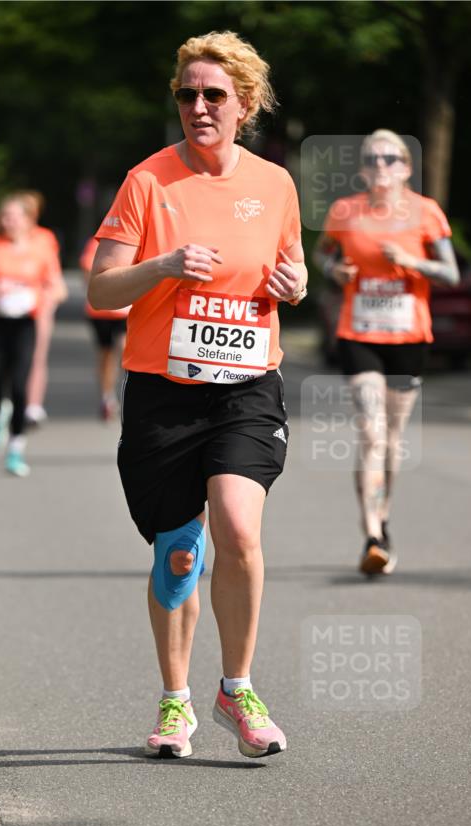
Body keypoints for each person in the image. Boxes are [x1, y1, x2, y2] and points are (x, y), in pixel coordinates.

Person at [88, 30, 307, 759]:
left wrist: (296, 283)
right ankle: (175, 698)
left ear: (245, 104)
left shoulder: (274, 185)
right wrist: (163, 266)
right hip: (164, 392)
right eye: (188, 94)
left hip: (246, 387)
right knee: (179, 555)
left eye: (214, 95)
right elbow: (100, 290)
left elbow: (293, 267)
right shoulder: (147, 181)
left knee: (238, 529)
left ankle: (236, 689)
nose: (199, 106)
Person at [313, 129, 459, 575]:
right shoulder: (345, 211)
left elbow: (451, 274)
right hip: (359, 335)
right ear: (362, 169)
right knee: (372, 433)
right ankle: (373, 536)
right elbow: (321, 255)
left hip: (408, 338)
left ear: (406, 168)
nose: (381, 165)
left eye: (390, 158)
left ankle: (384, 516)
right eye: (372, 158)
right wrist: (334, 270)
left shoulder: (426, 212)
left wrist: (411, 262)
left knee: (392, 439)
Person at [0, 193, 62, 476]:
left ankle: (15, 448)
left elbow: (57, 286)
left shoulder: (41, 246)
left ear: (28, 219)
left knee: (21, 386)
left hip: (25, 324)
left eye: (15, 216)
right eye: (5, 216)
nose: (9, 221)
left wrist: (41, 296)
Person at [21, 191, 68, 427]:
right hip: (6, 312)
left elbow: (54, 277)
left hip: (38, 307)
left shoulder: (44, 238)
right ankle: (12, 400)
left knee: (37, 356)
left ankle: (33, 405)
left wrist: (52, 296)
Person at [80, 236, 129, 419]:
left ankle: (129, 391)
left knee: (125, 349)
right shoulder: (97, 242)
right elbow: (88, 271)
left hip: (126, 311)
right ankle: (107, 397)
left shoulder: (138, 242)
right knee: (106, 355)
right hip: (101, 312)